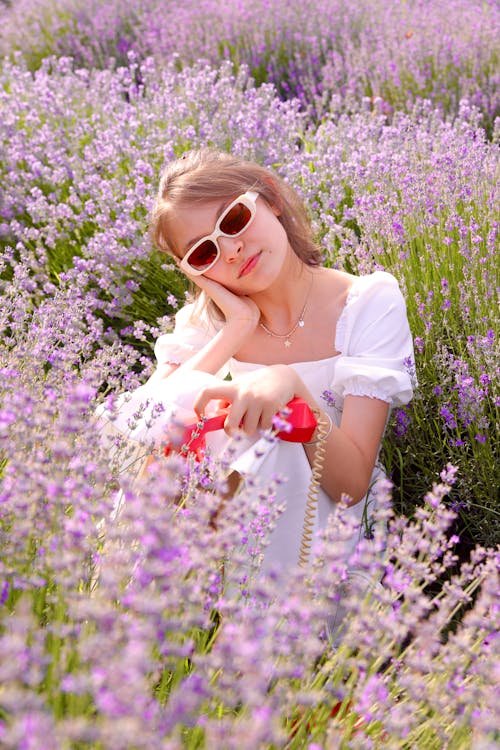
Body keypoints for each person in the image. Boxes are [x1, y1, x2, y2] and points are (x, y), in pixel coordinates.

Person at [100, 148, 415, 581]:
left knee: (275, 433)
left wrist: (289, 386)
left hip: (324, 531)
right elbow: (137, 430)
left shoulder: (367, 302)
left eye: (233, 221)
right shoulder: (209, 321)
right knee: (172, 423)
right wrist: (238, 325)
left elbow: (351, 486)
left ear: (270, 197)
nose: (231, 250)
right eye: (203, 253)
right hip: (216, 523)